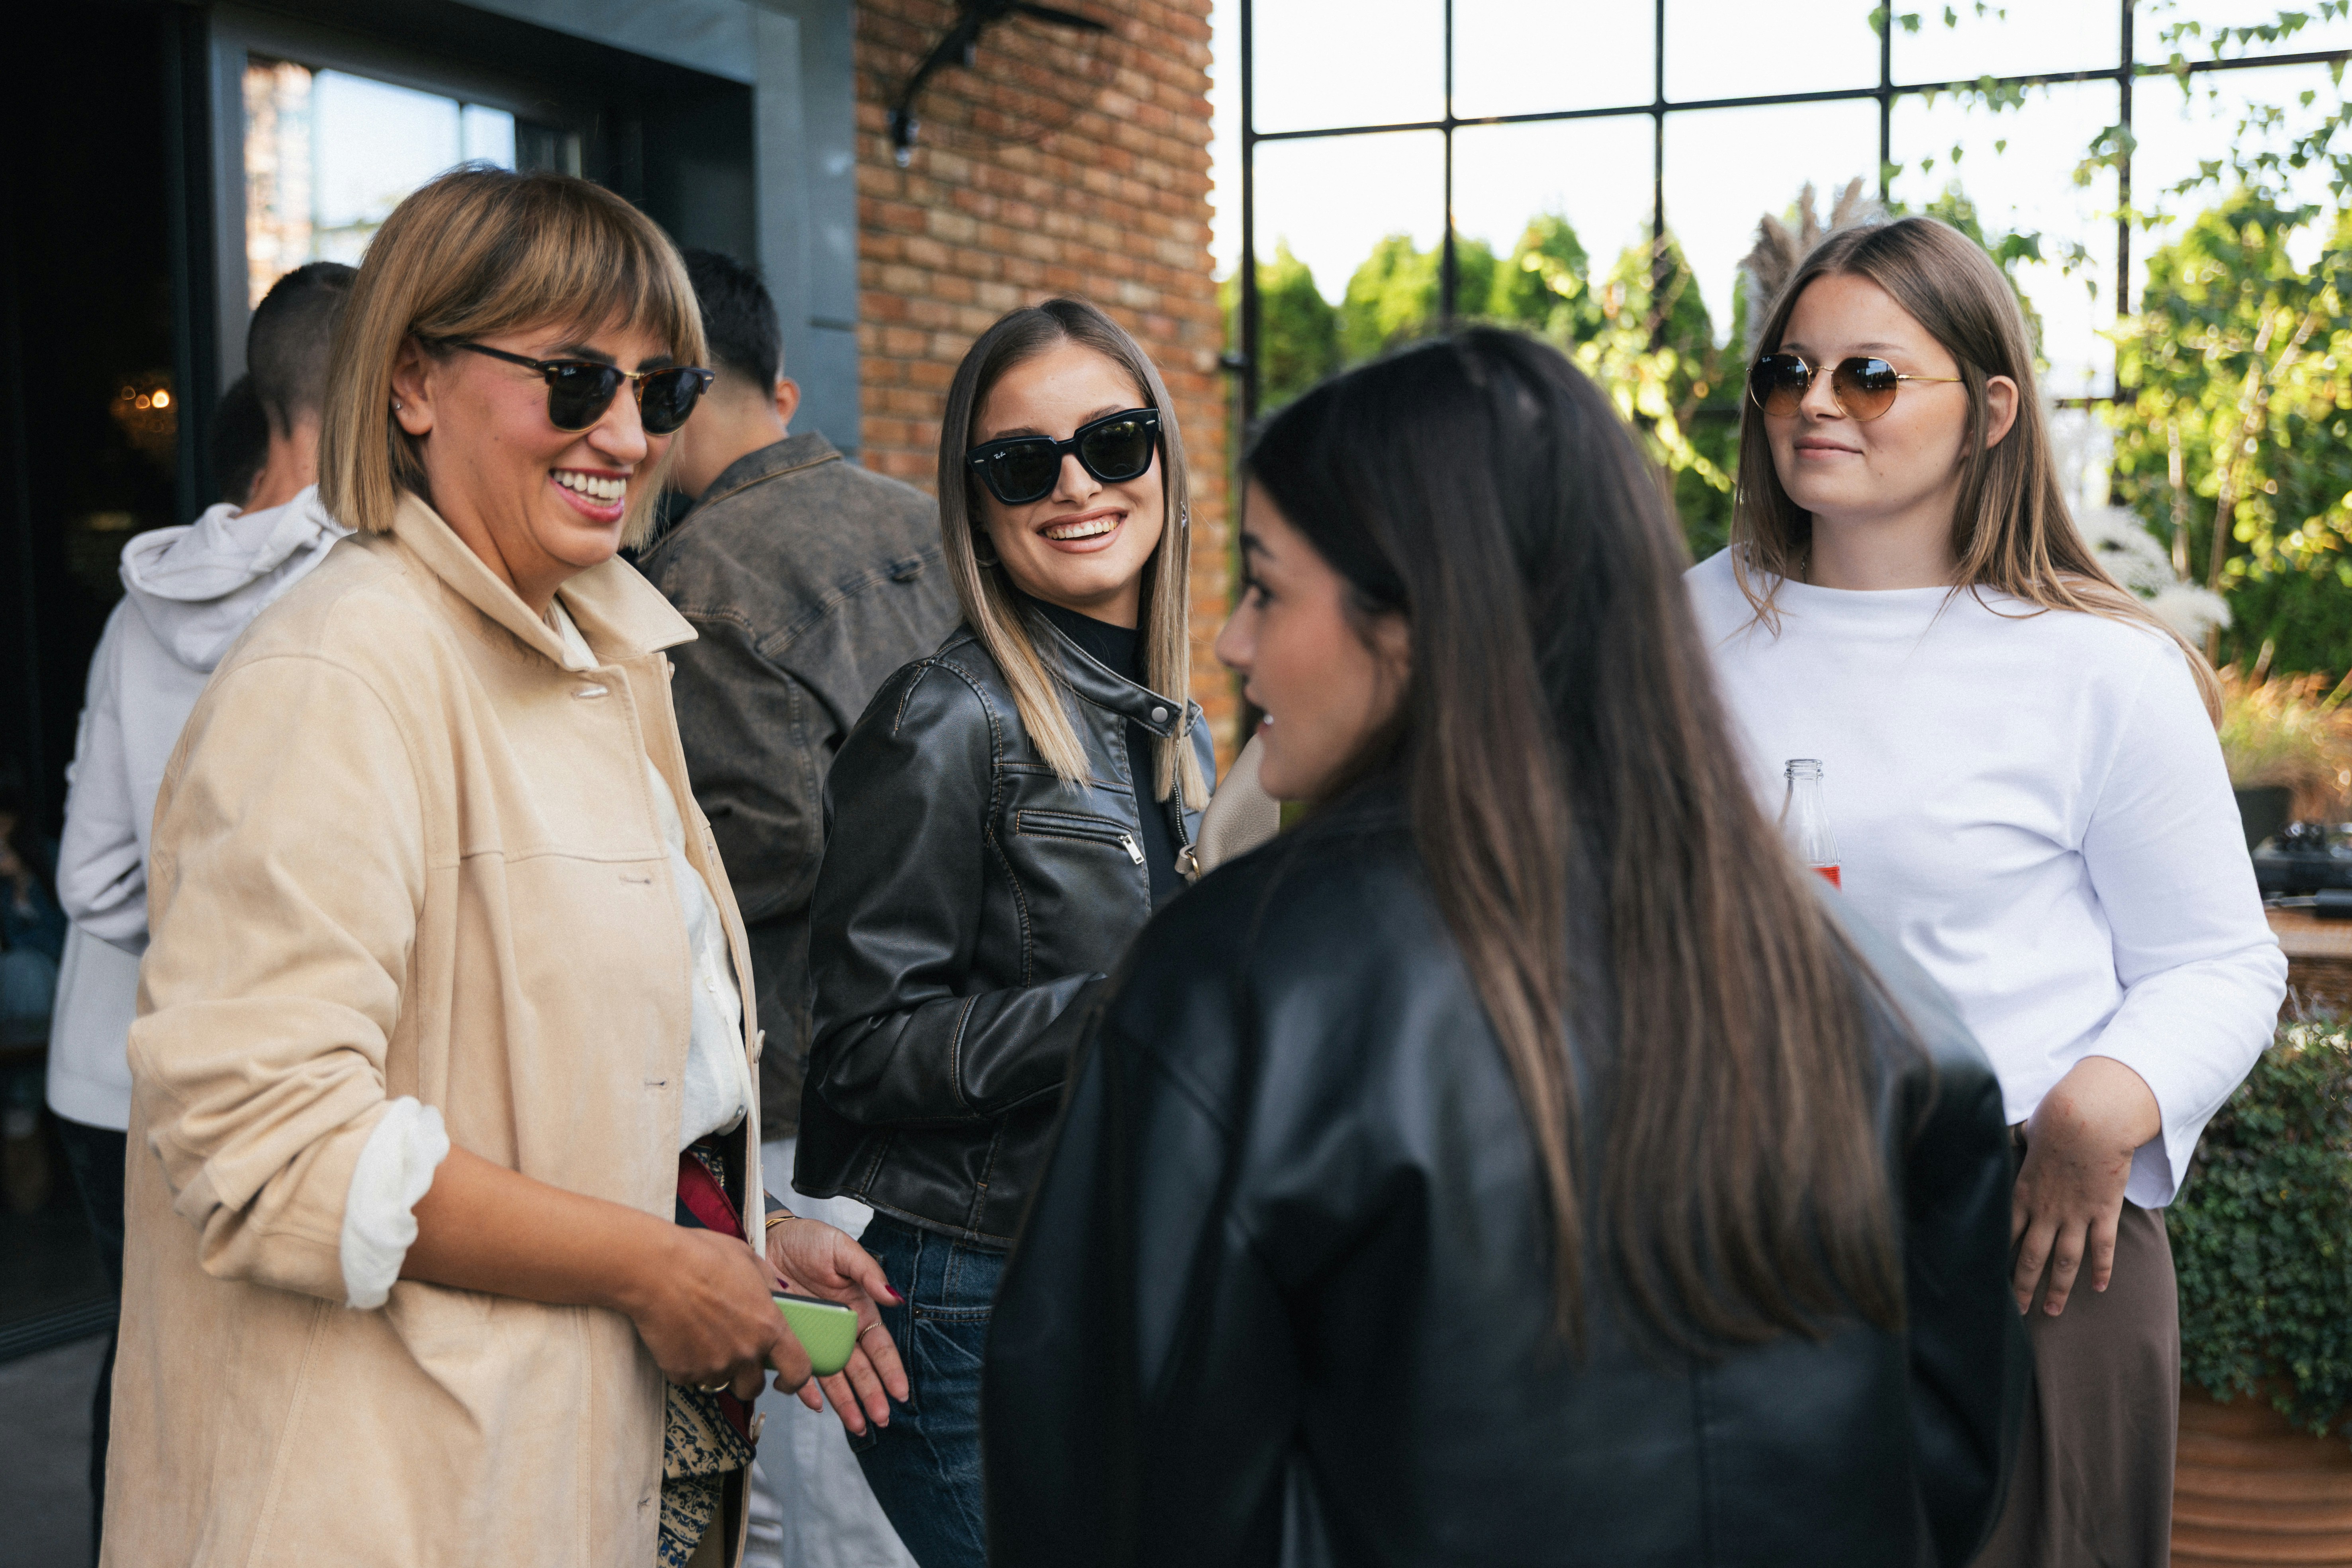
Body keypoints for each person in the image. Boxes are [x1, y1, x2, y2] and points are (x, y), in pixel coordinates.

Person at [983, 327, 2030, 1567]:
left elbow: (1110, 1482)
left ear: (1420, 620)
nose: (1233, 643)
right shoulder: (1860, 980)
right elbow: (1950, 1454)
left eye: (1266, 587)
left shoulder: (1237, 984)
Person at [104, 167, 902, 1568]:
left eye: (659, 392)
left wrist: (729, 1235)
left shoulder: (601, 650)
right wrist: (655, 1266)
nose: (624, 432)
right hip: (400, 1489)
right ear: (412, 380)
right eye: (575, 377)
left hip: (569, 1459)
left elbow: (577, 1076)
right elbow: (264, 1138)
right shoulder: (342, 668)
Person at [1684, 216, 2286, 1565]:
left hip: (2029, 1240)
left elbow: (2220, 962)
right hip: (1732, 1224)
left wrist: (2102, 1101)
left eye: (1870, 375)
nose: (1814, 403)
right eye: (1787, 373)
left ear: (1992, 411)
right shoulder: (1675, 632)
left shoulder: (2096, 669)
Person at [798, 297, 1215, 1568]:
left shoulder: (1169, 719)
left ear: (1163, 460)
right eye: (1022, 463)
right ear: (975, 502)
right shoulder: (948, 716)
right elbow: (859, 1049)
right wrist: (1119, 999)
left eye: (1115, 441)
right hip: (976, 1296)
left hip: (1116, 1271)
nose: (1076, 485)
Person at [638, 247, 952, 1566]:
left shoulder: (690, 580)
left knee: (808, 1503)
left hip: (801, 1117)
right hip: (952, 1091)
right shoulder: (932, 523)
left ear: (668, 389)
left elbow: (772, 846)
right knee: (918, 1464)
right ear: (783, 382)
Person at [46, 261, 353, 1554]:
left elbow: (89, 879)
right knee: (285, 1394)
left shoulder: (143, 603)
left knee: (146, 1376)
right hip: (271, 1082)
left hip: (105, 1077)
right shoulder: (357, 596)